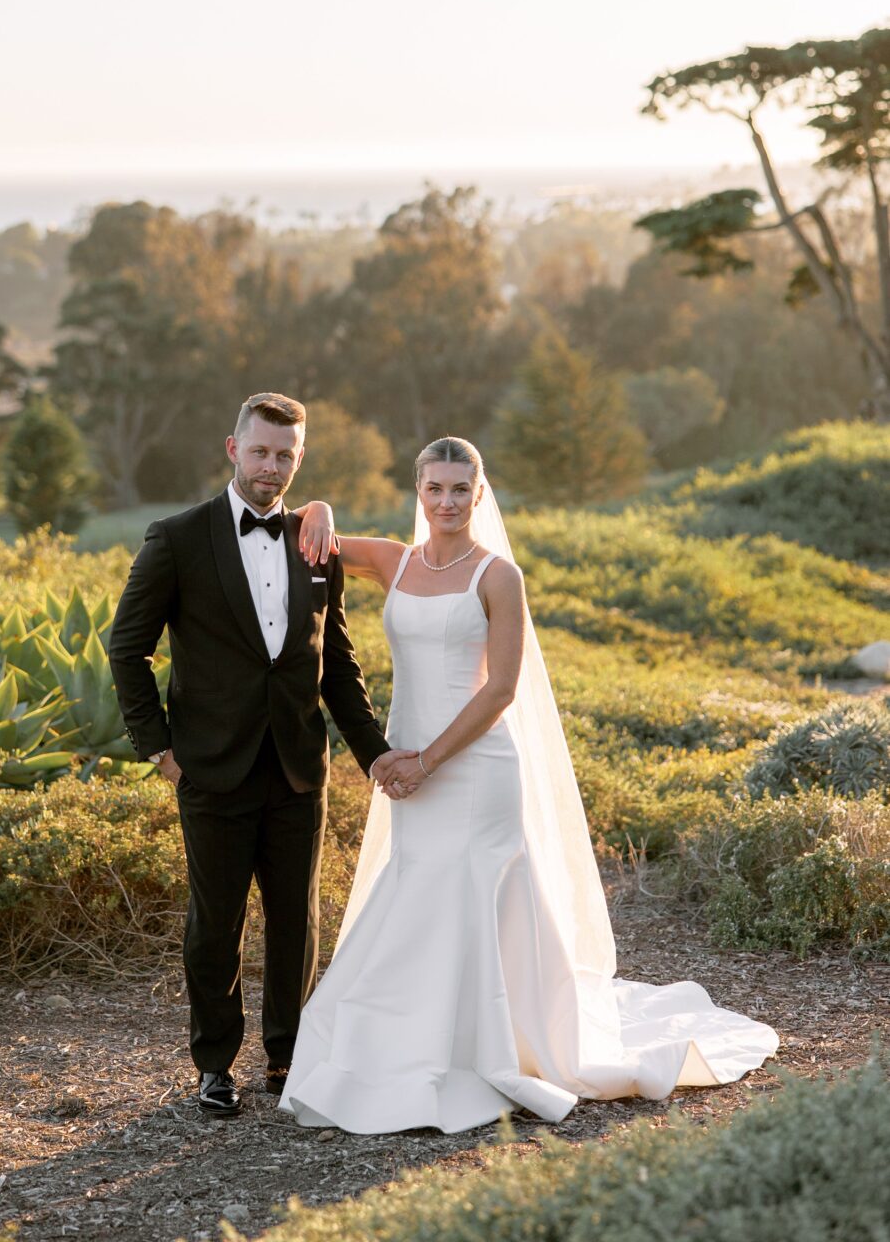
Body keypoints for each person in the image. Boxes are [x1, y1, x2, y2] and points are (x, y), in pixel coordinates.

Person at [280, 436, 779, 1134]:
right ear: (416, 492)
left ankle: (495, 1048)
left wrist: (424, 761)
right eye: (434, 489)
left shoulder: (496, 575)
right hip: (409, 762)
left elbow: (501, 691)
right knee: (418, 887)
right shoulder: (395, 562)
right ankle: (409, 1046)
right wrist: (324, 504)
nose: (447, 502)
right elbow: (304, 523)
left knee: (470, 890)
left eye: (460, 489)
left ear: (479, 495)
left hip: (475, 766)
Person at [107, 393, 411, 1119]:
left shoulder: (315, 543)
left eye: (285, 454)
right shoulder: (177, 539)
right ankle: (213, 1064)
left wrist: (375, 754)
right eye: (260, 451)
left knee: (296, 920)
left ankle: (288, 1056)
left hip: (298, 767)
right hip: (208, 768)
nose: (271, 465)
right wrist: (159, 751)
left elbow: (334, 661)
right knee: (215, 924)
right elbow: (127, 647)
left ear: (298, 460)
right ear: (232, 449)